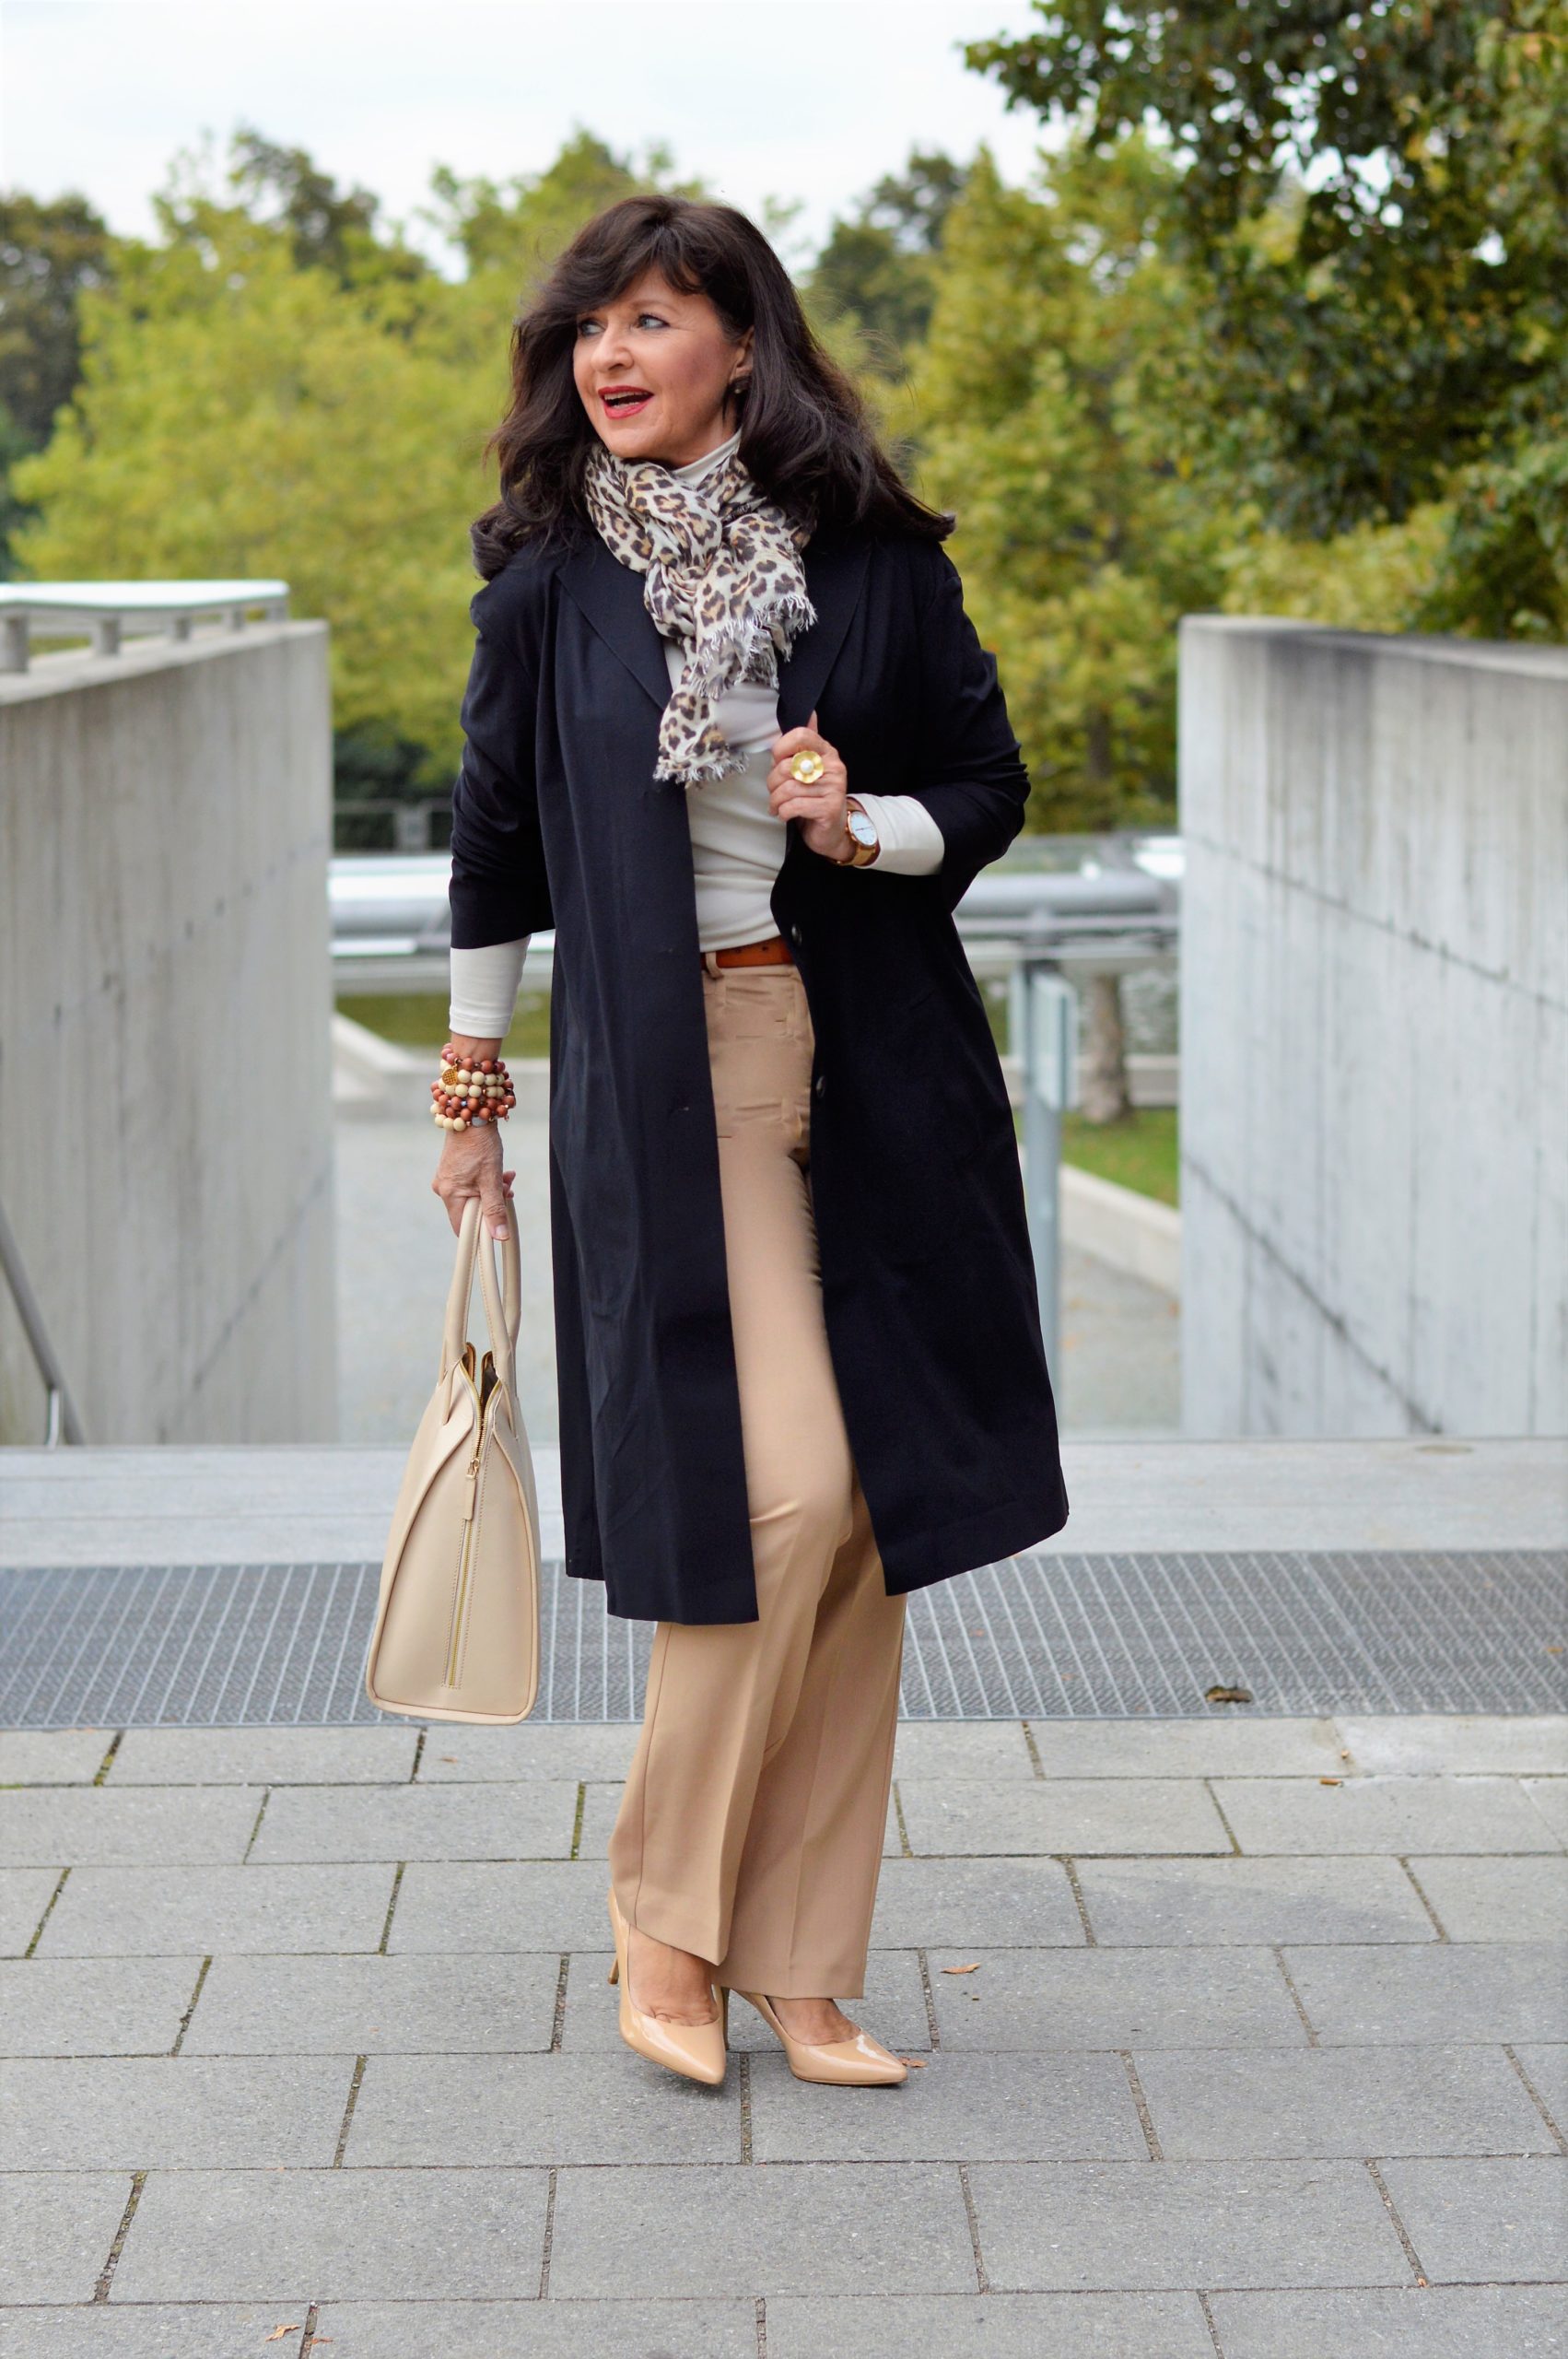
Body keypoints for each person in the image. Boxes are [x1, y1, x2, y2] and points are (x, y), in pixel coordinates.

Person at [433, 192, 1069, 2089]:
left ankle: (800, 1961)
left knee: (863, 1510)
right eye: (588, 329)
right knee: (781, 1493)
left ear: (737, 344)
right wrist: (469, 1091)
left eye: (648, 318)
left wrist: (858, 823)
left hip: (869, 1062)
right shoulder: (551, 589)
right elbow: (494, 847)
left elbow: (986, 784)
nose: (607, 356)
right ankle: (665, 1911)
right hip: (673, 1063)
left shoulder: (870, 564)